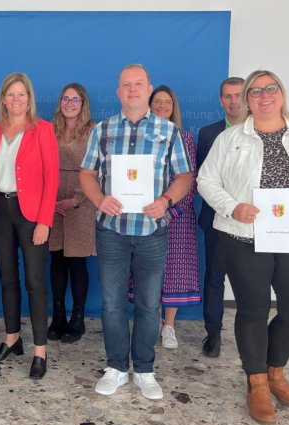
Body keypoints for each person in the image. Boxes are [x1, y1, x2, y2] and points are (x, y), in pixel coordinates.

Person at [197, 69, 289, 425]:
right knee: (252, 310)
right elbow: (206, 180)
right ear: (246, 100)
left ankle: (276, 372)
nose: (264, 95)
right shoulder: (230, 139)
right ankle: (258, 381)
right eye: (255, 91)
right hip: (243, 238)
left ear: (281, 93)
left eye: (270, 88)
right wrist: (233, 206)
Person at [80, 64, 193, 401]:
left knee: (147, 305)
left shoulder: (168, 132)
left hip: (151, 232)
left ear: (149, 88)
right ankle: (115, 367)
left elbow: (184, 176)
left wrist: (165, 200)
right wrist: (100, 199)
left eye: (138, 84)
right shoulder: (102, 130)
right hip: (112, 231)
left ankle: (144, 369)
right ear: (118, 92)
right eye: (126, 85)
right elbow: (87, 173)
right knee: (112, 304)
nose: (132, 89)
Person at [0, 73, 59, 379]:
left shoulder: (43, 130)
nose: (16, 100)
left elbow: (51, 179)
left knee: (35, 281)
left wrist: (44, 221)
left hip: (31, 214)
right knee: (7, 277)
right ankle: (12, 338)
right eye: (10, 95)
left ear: (29, 99)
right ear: (3, 98)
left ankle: (40, 349)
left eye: (21, 95)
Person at [148, 85, 201, 350]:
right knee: (149, 270)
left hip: (177, 218)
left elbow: (190, 183)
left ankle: (168, 325)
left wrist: (171, 211)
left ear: (173, 107)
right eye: (156, 101)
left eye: (166, 102)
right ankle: (152, 321)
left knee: (174, 271)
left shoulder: (185, 138)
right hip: (146, 214)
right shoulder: (141, 136)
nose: (161, 106)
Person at [195, 76, 245, 358]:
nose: (233, 101)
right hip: (215, 219)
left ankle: (249, 332)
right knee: (214, 277)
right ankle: (213, 332)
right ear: (220, 100)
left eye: (238, 95)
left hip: (254, 221)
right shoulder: (208, 133)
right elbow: (204, 178)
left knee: (250, 279)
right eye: (227, 96)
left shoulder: (263, 130)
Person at [46, 83, 97, 343]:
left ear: (83, 103)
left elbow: (97, 169)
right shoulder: (50, 129)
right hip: (52, 201)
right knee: (56, 261)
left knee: (77, 262)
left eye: (75, 99)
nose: (69, 103)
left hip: (81, 201)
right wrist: (50, 199)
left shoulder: (93, 131)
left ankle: (77, 318)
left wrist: (75, 199)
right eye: (65, 98)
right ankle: (57, 317)